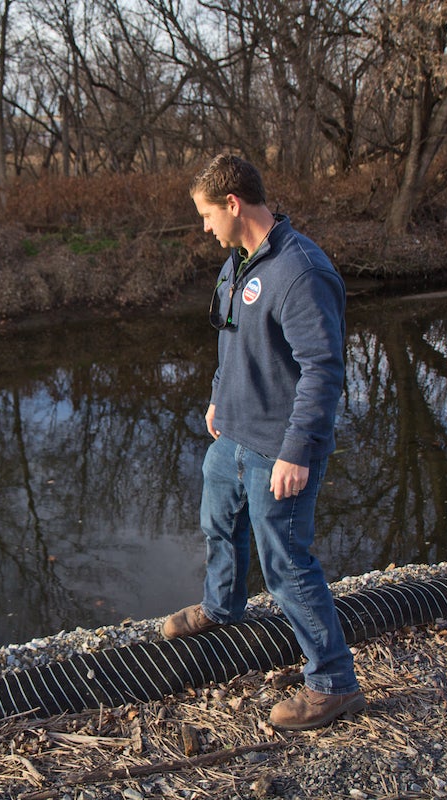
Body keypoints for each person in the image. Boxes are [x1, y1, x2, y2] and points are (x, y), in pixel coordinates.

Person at [162, 154, 364, 731]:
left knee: (288, 564)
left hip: (281, 447)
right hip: (234, 433)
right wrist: (218, 396)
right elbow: (232, 341)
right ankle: (224, 607)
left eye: (206, 215)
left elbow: (323, 369)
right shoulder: (239, 263)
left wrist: (297, 450)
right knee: (218, 521)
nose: (203, 227)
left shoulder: (301, 271)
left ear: (233, 204)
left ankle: (334, 683)